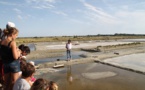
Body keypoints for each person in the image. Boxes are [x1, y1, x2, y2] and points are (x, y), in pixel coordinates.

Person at [0, 23, 21, 90]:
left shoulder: (2, 41)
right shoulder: (12, 42)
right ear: (12, 34)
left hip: (5, 64)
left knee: (7, 83)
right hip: (13, 64)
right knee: (15, 82)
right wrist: (19, 52)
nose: (16, 37)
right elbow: (15, 57)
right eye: (16, 35)